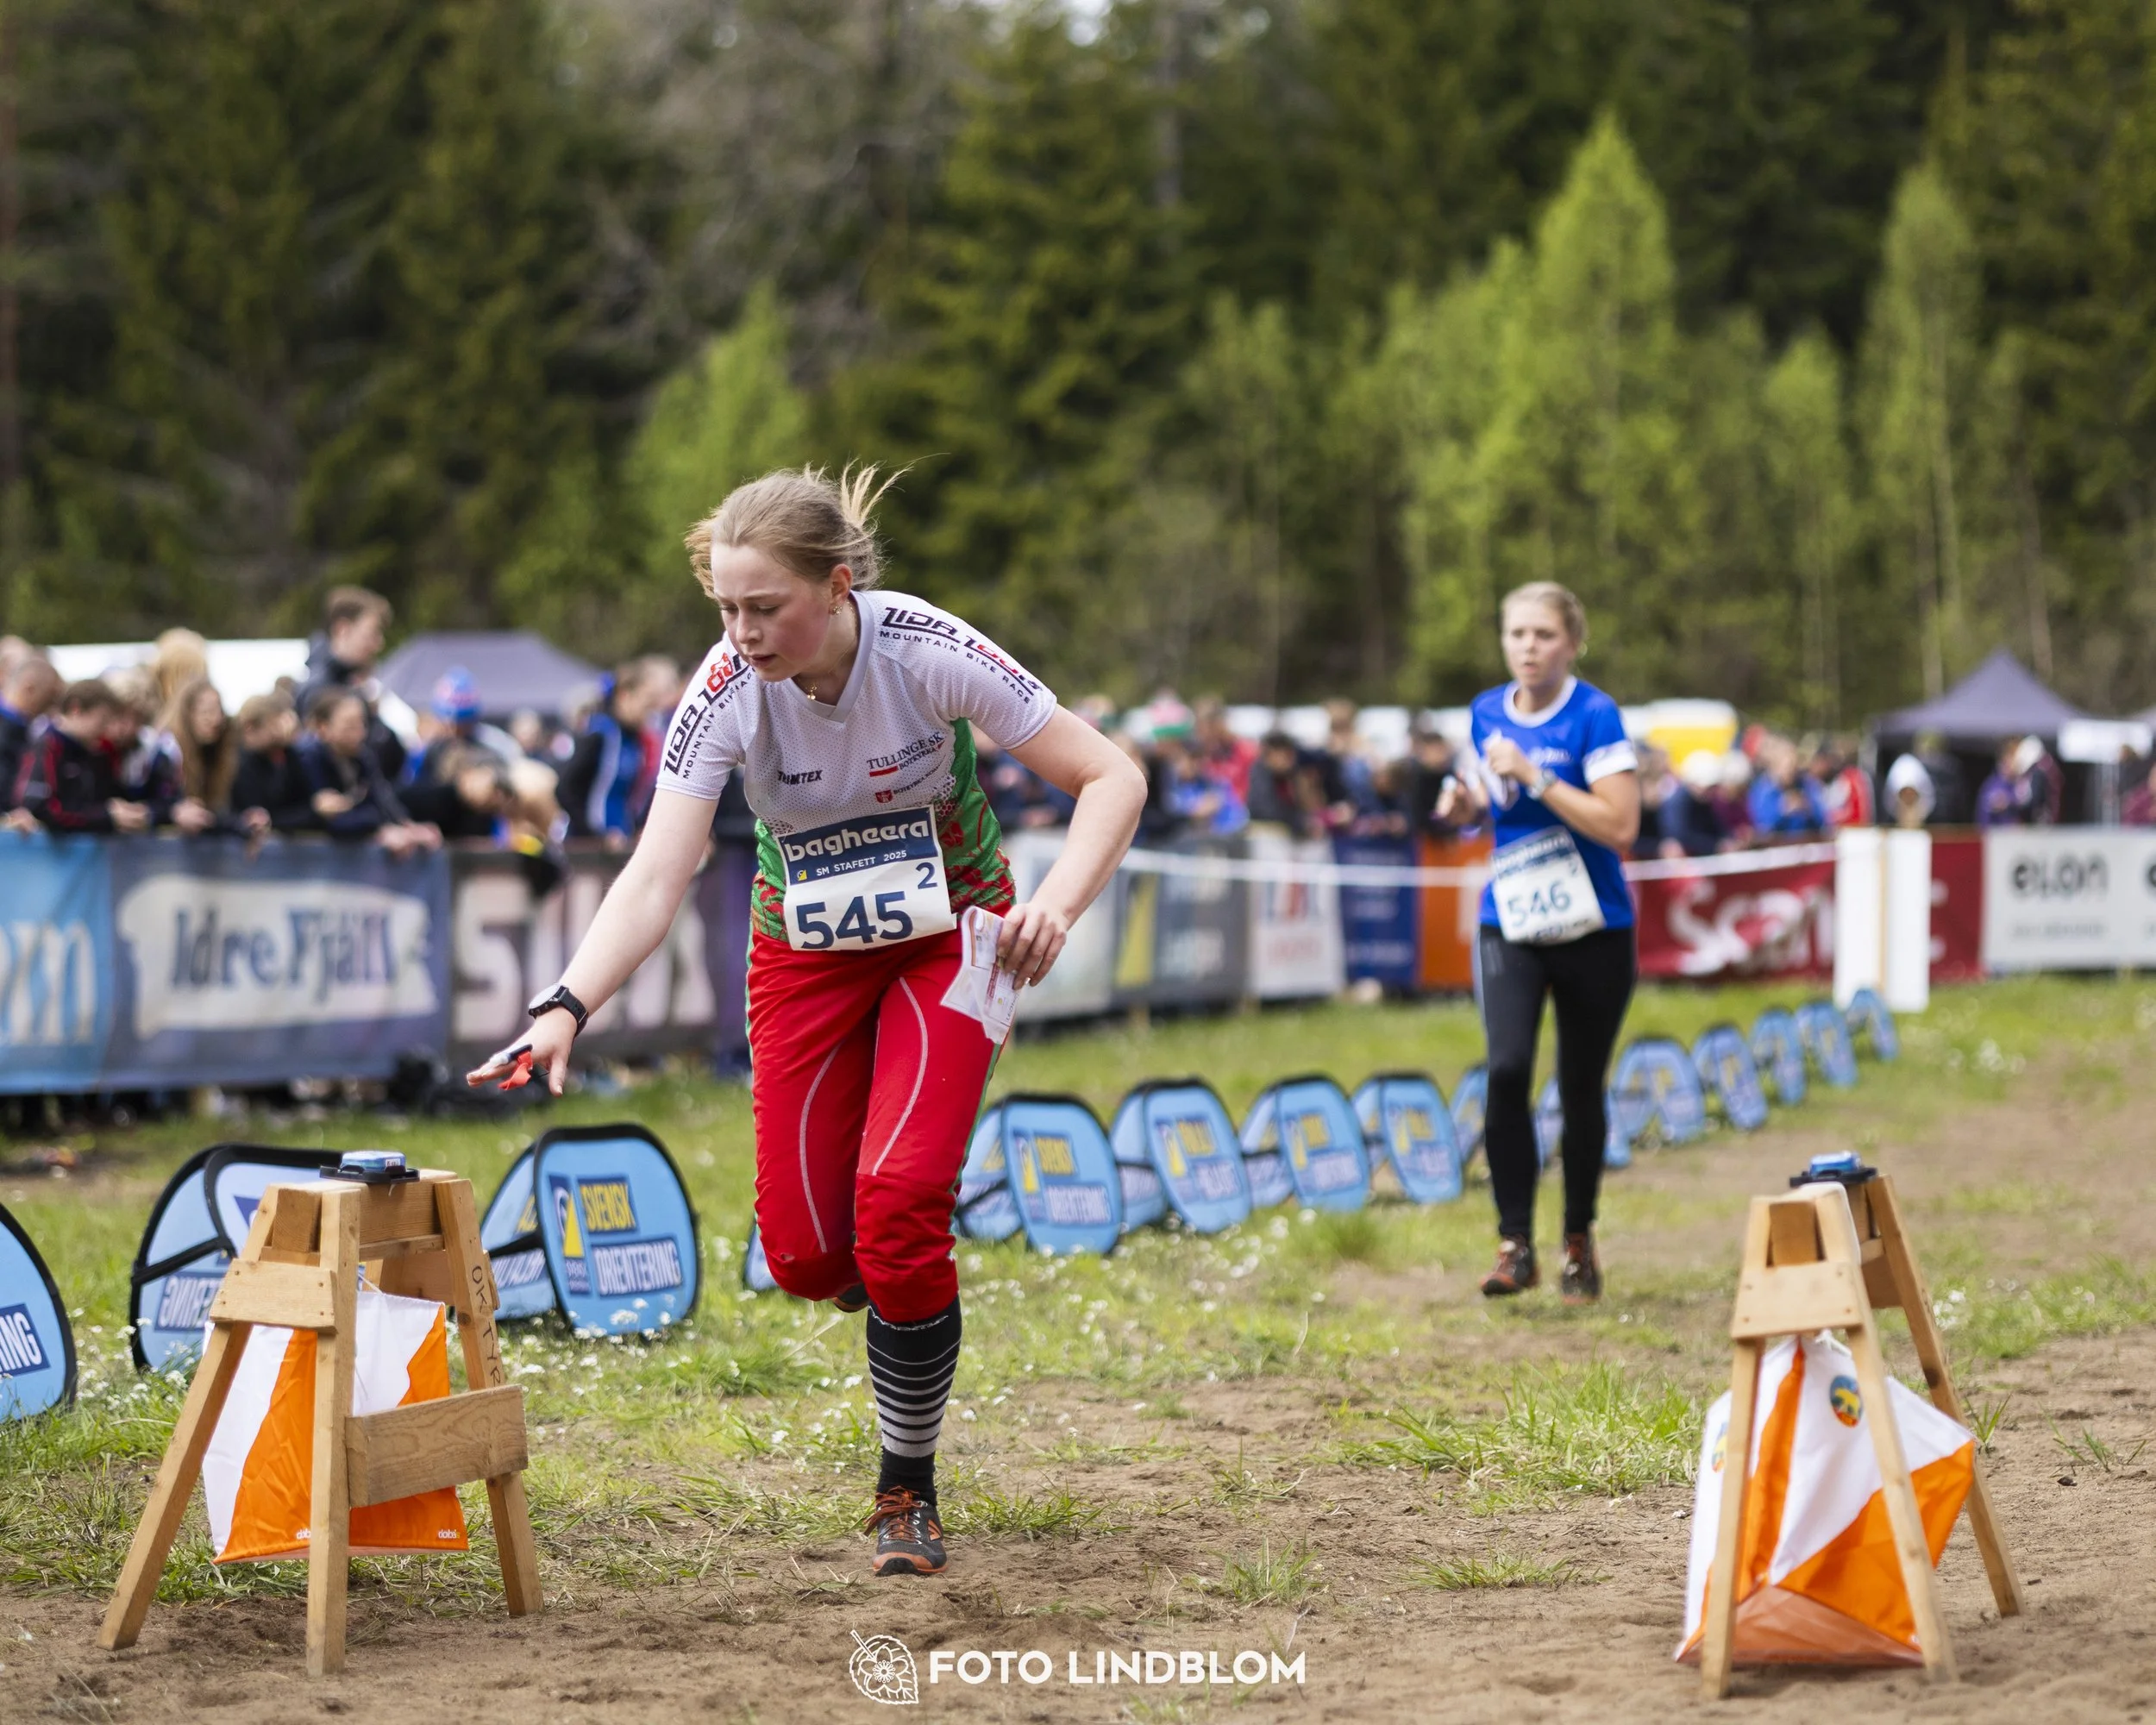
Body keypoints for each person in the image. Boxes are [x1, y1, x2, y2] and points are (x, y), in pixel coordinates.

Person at [472, 465, 1144, 1579]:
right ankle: (894, 1276)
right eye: (724, 611)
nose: (740, 635)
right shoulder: (724, 690)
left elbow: (1109, 776)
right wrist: (566, 1005)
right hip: (807, 955)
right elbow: (656, 873)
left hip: (953, 937)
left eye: (763, 608)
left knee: (898, 1204)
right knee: (801, 1256)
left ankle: (904, 1485)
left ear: (836, 589)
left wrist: (1055, 909)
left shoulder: (926, 648)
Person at [1437, 581, 1639, 1305]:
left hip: (1595, 928)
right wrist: (1462, 805)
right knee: (1506, 1068)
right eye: (1516, 634)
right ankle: (1513, 1242)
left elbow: (1620, 827)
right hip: (1512, 921)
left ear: (1573, 642)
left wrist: (1538, 776)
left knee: (1581, 1088)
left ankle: (1578, 1241)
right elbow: (1481, 799)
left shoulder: (1595, 713)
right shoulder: (1486, 709)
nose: (1528, 647)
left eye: (1543, 635)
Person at [298, 688, 440, 856]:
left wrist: (408, 826)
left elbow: (381, 797)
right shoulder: (307, 760)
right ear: (323, 728)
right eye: (350, 726)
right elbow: (330, 820)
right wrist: (379, 829)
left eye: (362, 724)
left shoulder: (362, 757)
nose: (360, 733)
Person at [296, 586, 407, 781]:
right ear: (343, 629)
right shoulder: (319, 689)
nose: (379, 643)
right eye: (372, 633)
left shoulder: (351, 684)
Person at [17, 681, 152, 834]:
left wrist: (116, 809)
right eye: (102, 720)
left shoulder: (95, 754)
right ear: (76, 709)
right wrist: (106, 816)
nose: (105, 729)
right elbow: (43, 809)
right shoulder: (48, 747)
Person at [558, 661, 668, 844]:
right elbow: (565, 789)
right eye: (647, 704)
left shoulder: (636, 740)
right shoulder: (599, 734)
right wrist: (595, 835)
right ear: (625, 696)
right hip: (588, 847)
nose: (650, 714)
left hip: (620, 842)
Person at [164, 676, 241, 834]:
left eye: (219, 711)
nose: (216, 719)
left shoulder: (223, 756)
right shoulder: (168, 754)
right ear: (187, 716)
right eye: (206, 712)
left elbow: (222, 812)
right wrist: (172, 812)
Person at [232, 693, 315, 831]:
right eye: (275, 724)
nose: (282, 730)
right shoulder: (236, 762)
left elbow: (308, 807)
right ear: (250, 727)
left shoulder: (288, 755)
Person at [0, 654, 62, 810]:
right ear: (30, 688)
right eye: (50, 696)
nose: (51, 707)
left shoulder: (29, 731)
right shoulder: (11, 730)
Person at [1975, 737, 2034, 828]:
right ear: (2005, 760)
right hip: (1997, 838)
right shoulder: (1992, 786)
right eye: (2014, 758)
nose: (2019, 762)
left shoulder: (2023, 783)